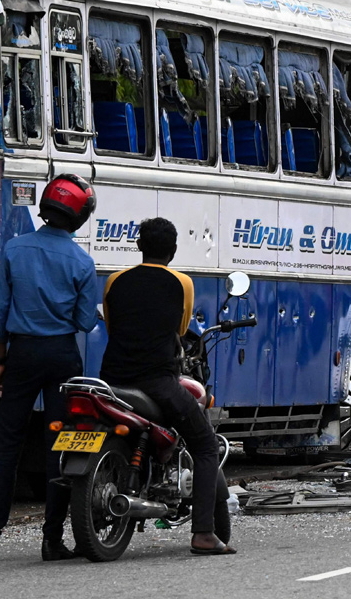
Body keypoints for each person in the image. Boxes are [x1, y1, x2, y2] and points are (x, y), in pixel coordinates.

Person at [0, 174, 101, 563]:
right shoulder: (82, 261)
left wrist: (0, 359)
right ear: (78, 217)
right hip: (62, 357)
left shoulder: (14, 249)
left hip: (21, 355)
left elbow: (1, 312)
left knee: (7, 446)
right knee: (59, 448)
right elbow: (83, 322)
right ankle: (52, 540)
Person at [100, 217, 236, 556]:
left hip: (112, 379)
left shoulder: (115, 281)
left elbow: (113, 326)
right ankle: (203, 534)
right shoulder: (182, 284)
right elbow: (180, 329)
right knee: (205, 447)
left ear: (139, 245)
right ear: (173, 250)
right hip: (157, 381)